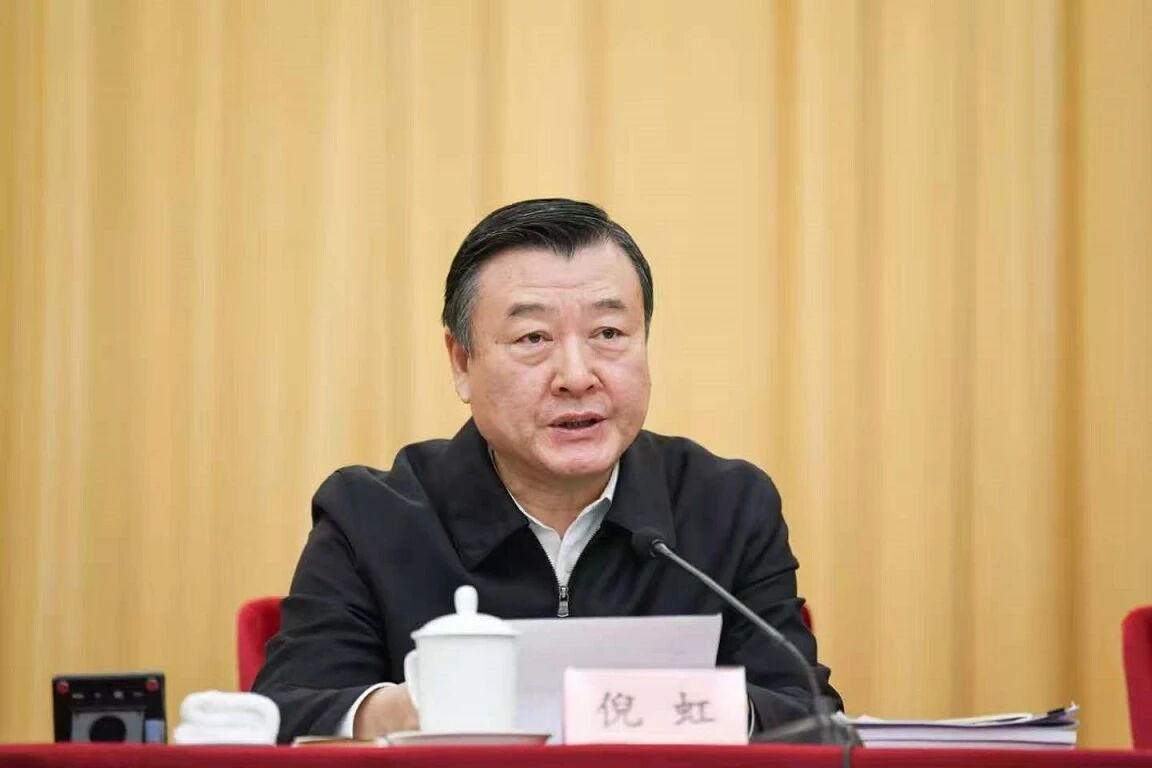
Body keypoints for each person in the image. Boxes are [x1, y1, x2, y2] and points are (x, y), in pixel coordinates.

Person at [253, 198, 843, 743]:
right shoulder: (368, 517)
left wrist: (685, 705)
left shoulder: (727, 505)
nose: (577, 376)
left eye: (608, 333)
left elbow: (813, 719)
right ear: (461, 362)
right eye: (533, 337)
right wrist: (414, 709)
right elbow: (286, 710)